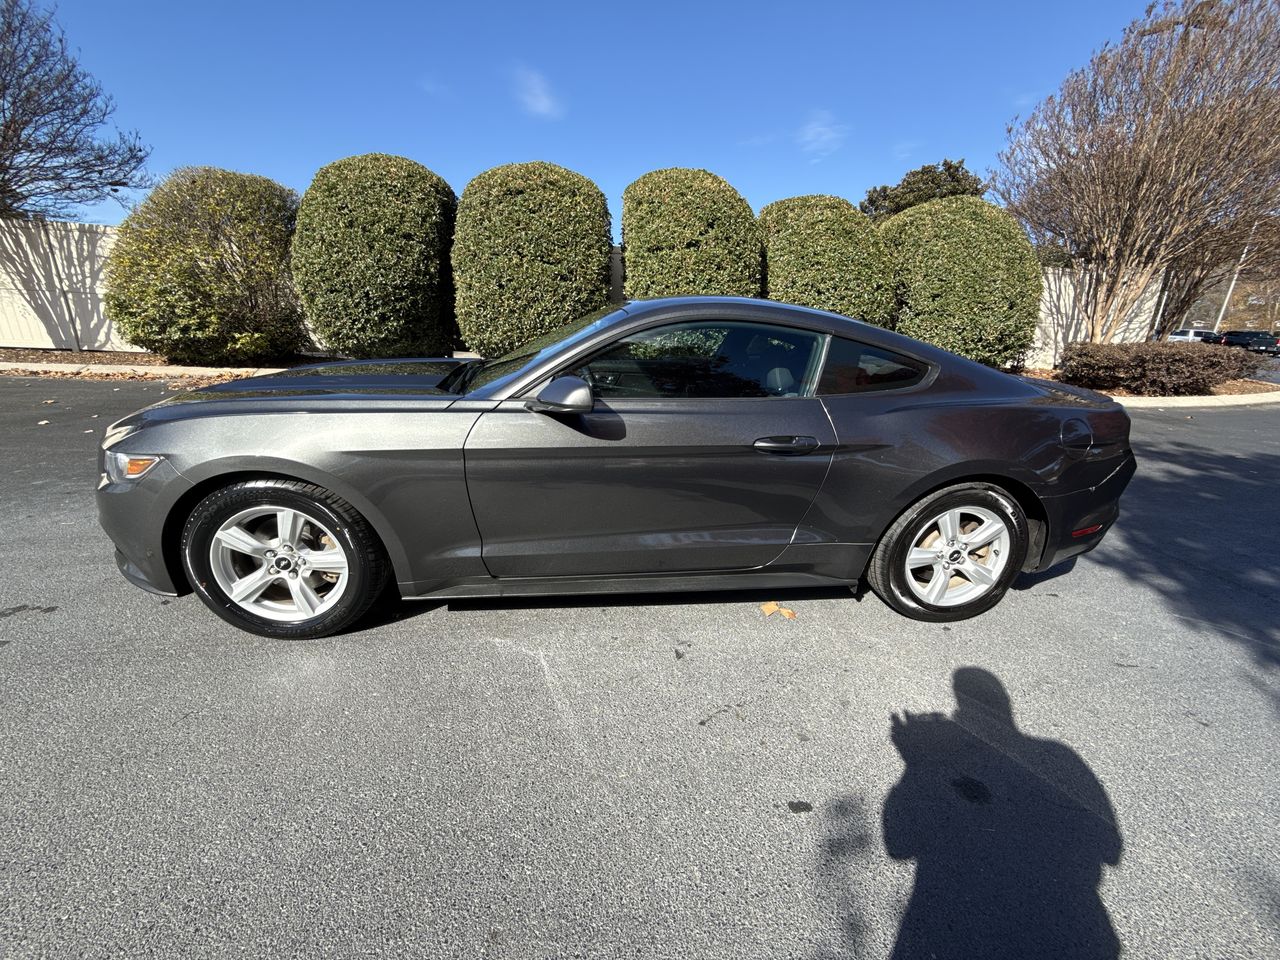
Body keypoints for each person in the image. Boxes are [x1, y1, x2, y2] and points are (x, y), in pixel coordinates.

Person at [883, 667, 1122, 959]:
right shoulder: (1060, 755)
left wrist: (914, 764)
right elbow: (1110, 848)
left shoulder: (1057, 755)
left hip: (954, 935)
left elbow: (900, 846)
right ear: (1006, 703)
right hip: (1079, 928)